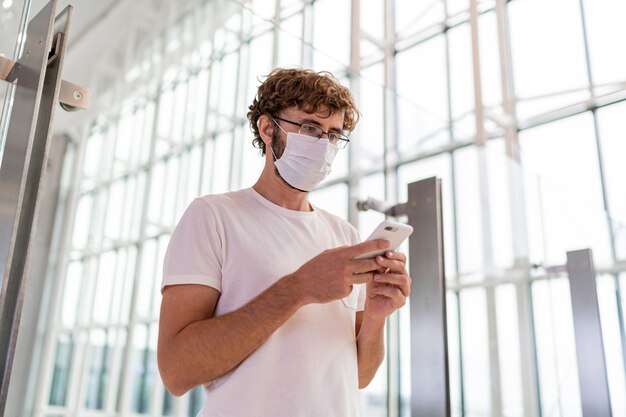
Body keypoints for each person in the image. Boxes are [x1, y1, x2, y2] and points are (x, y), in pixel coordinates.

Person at [157, 68, 411, 416]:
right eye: (309, 128)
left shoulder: (344, 235)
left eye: (334, 135)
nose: (323, 145)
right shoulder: (213, 216)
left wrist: (377, 317)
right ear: (267, 129)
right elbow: (177, 371)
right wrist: (298, 288)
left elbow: (360, 377)